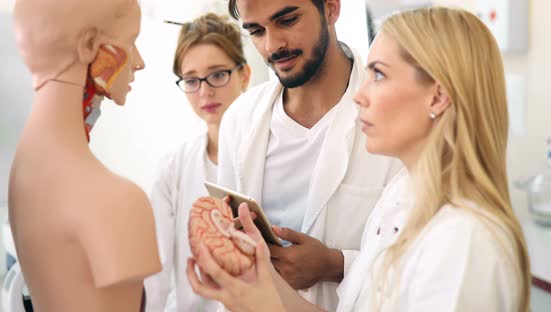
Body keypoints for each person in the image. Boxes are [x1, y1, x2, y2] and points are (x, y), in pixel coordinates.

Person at [187, 7, 532, 312]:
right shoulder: (398, 198)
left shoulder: (465, 239)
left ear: (438, 96)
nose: (361, 95)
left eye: (378, 74)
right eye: (256, 30)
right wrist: (260, 281)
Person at [216, 0, 401, 309]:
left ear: (330, 8)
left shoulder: (394, 117)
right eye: (256, 31)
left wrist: (335, 264)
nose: (273, 45)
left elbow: (424, 260)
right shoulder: (240, 120)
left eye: (287, 20)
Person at [8, 0, 161, 310]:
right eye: (131, 41)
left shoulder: (22, 175)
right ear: (89, 45)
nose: (140, 61)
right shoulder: (118, 202)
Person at [143, 13, 251, 312]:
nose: (204, 91)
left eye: (218, 74)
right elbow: (157, 272)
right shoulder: (173, 168)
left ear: (245, 75)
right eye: (191, 80)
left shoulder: (270, 157)